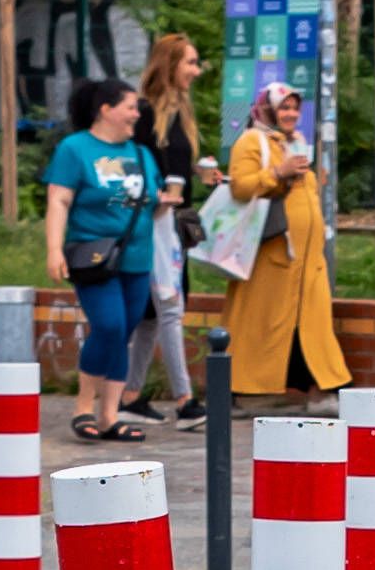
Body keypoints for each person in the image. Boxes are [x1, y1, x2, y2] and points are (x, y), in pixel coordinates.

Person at [40, 74, 157, 440]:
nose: (137, 114)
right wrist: (54, 249)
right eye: (130, 107)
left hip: (138, 259)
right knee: (108, 325)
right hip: (94, 257)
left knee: (122, 333)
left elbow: (152, 200)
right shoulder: (75, 149)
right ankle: (82, 407)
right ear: (106, 109)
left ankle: (110, 415)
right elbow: (59, 200)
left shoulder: (141, 154)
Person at [223, 77, 353, 402]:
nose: (292, 114)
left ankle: (322, 388)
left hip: (307, 263)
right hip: (272, 257)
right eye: (284, 108)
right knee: (263, 324)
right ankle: (248, 390)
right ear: (267, 109)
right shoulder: (251, 141)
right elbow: (240, 186)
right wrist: (277, 173)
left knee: (312, 325)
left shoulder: (295, 142)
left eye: (295, 108)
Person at [128, 27, 211, 414]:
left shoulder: (181, 114)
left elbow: (173, 163)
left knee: (151, 313)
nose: (196, 70)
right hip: (154, 223)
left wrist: (198, 172)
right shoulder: (144, 114)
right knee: (169, 306)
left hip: (176, 225)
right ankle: (184, 400)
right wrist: (158, 193)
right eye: (190, 63)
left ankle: (130, 396)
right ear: (170, 65)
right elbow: (138, 166)